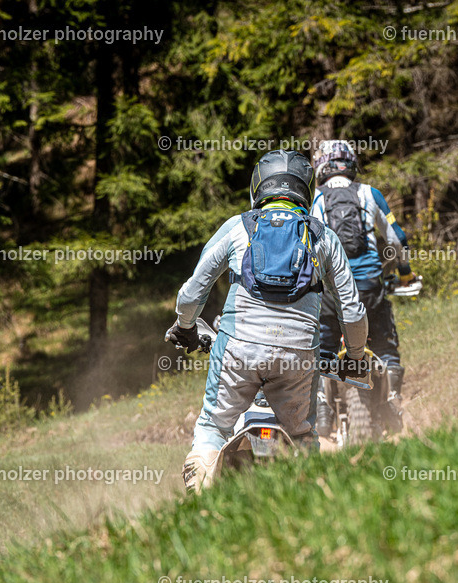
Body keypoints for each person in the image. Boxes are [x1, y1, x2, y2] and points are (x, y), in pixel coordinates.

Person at [167, 149, 369, 493]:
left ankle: (199, 501)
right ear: (305, 189)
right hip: (299, 357)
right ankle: (311, 501)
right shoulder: (323, 236)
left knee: (213, 427)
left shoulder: (237, 227)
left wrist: (185, 325)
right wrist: (357, 356)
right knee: (303, 436)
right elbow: (351, 310)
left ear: (257, 187)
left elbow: (191, 293)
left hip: (237, 351)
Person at [309, 140, 418, 435]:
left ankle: (320, 408)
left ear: (323, 166)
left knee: (323, 351)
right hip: (370, 288)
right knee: (385, 347)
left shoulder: (316, 201)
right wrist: (405, 275)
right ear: (351, 164)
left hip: (332, 294)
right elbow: (397, 240)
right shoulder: (371, 194)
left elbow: (309, 249)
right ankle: (392, 401)